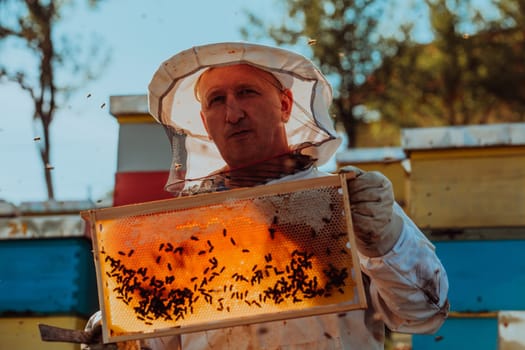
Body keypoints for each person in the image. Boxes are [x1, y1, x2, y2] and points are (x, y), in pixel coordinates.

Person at [84, 42, 449, 349]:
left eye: (247, 92)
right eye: (216, 100)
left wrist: (385, 243)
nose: (233, 112)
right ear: (205, 124)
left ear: (285, 105)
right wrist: (116, 329)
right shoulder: (186, 229)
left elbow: (424, 314)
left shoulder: (344, 202)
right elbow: (156, 340)